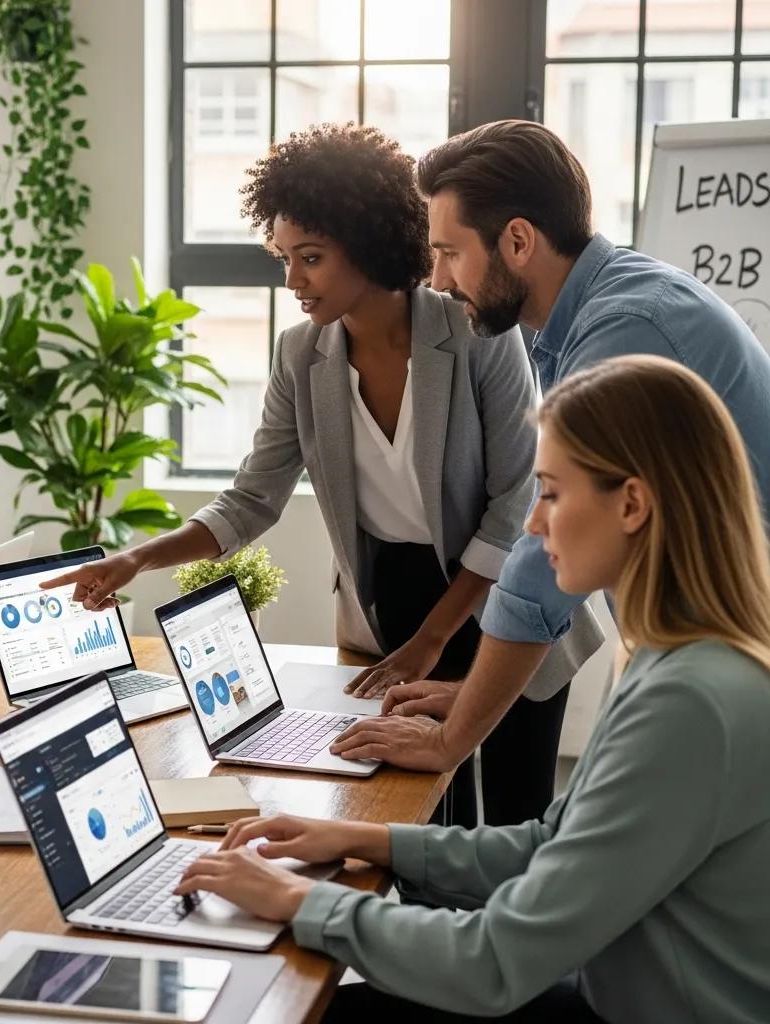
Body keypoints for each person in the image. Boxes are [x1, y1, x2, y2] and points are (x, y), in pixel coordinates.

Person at [175, 355, 770, 1023]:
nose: (535, 524)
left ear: (632, 503)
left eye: (550, 492)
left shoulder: (691, 701)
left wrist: (297, 901)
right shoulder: (683, 657)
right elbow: (553, 843)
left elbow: (493, 963)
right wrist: (358, 839)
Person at [43, 122, 595, 825]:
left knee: (518, 815)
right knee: (408, 814)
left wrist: (434, 639)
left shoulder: (473, 330)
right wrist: (136, 558)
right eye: (283, 258)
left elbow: (516, 499)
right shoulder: (300, 355)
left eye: (311, 257)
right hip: (386, 609)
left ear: (367, 243)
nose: (292, 280)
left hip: (501, 598)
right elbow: (252, 499)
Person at [331, 119, 770, 790]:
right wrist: (475, 695)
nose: (439, 279)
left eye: (450, 252)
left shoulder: (625, 327)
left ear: (517, 241)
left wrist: (454, 736)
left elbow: (542, 562)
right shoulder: (600, 312)